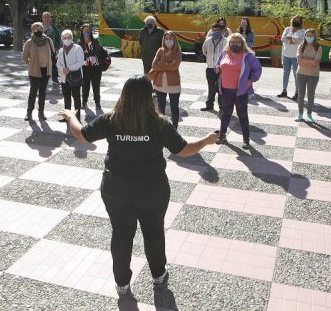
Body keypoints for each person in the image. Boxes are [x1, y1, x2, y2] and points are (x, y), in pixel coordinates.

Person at [58, 76, 220, 297]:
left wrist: (70, 116)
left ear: (124, 95)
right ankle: (158, 274)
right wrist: (206, 141)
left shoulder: (112, 120)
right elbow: (182, 150)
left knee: (122, 234)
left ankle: (122, 283)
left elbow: (82, 135)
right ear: (148, 97)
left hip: (116, 188)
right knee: (153, 232)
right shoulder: (159, 123)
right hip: (152, 189)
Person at [214, 33, 262, 149]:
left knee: (242, 115)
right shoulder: (224, 53)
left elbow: (258, 69)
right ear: (229, 43)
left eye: (238, 42)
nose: (235, 44)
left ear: (242, 44)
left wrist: (250, 81)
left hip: (240, 91)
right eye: (233, 42)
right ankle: (222, 135)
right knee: (226, 113)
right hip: (225, 90)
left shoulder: (248, 56)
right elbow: (217, 65)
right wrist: (217, 68)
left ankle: (246, 140)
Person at [148, 31, 182, 128]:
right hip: (160, 85)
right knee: (160, 109)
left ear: (174, 40)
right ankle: (161, 129)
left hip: (173, 85)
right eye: (166, 39)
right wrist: (168, 65)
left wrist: (161, 64)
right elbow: (154, 65)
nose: (168, 41)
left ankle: (175, 129)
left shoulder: (178, 52)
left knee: (174, 108)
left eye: (170, 39)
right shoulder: (160, 51)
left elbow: (174, 67)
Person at [22, 22, 55, 121]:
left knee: (42, 92)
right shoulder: (29, 42)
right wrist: (31, 64)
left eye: (40, 29)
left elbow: (53, 53)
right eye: (36, 29)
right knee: (33, 92)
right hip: (34, 71)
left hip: (46, 70)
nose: (38, 31)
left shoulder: (48, 40)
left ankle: (41, 113)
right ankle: (29, 113)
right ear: (32, 31)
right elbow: (24, 57)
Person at [295, 28, 322, 122]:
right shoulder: (301, 46)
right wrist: (310, 62)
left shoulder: (318, 47)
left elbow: (316, 62)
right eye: (307, 35)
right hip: (301, 73)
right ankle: (300, 114)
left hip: (313, 75)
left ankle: (309, 114)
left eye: (310, 35)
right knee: (300, 95)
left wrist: (304, 61)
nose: (308, 37)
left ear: (314, 36)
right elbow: (299, 61)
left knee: (311, 95)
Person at [57, 29, 84, 122]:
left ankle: (77, 117)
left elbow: (80, 61)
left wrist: (69, 68)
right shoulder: (61, 50)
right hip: (64, 77)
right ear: (62, 39)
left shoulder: (77, 48)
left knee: (76, 97)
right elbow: (58, 63)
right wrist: (62, 69)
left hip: (74, 77)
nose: (67, 39)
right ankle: (67, 117)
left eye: (68, 37)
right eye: (64, 38)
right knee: (66, 98)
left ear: (72, 38)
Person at [201, 23, 227, 112]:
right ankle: (209, 105)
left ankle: (222, 107)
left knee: (221, 89)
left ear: (221, 31)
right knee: (211, 87)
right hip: (210, 68)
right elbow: (204, 52)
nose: (215, 32)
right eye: (213, 30)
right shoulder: (207, 41)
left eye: (217, 31)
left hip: (221, 69)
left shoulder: (226, 41)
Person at [278, 15, 305, 100]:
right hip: (286, 54)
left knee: (296, 74)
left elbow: (302, 40)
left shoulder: (303, 31)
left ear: (300, 22)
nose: (296, 21)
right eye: (294, 20)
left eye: (298, 20)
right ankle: (284, 90)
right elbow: (283, 38)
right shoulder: (287, 29)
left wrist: (291, 39)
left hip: (296, 56)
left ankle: (297, 92)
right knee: (285, 73)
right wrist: (294, 41)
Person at [79, 23, 104, 110]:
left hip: (96, 68)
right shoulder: (80, 42)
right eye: (85, 30)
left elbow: (97, 51)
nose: (86, 32)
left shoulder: (95, 41)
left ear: (91, 32)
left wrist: (87, 52)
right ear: (82, 31)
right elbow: (79, 54)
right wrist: (88, 52)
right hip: (85, 68)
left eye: (88, 30)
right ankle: (84, 102)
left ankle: (97, 103)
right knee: (85, 86)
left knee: (96, 86)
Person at [42, 12, 62, 85]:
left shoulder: (54, 27)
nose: (47, 19)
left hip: (52, 49)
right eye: (45, 17)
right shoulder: (40, 27)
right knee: (43, 65)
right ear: (42, 18)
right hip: (41, 50)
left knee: (54, 64)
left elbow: (58, 37)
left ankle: (55, 79)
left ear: (51, 18)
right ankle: (43, 79)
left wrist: (57, 46)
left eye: (48, 17)